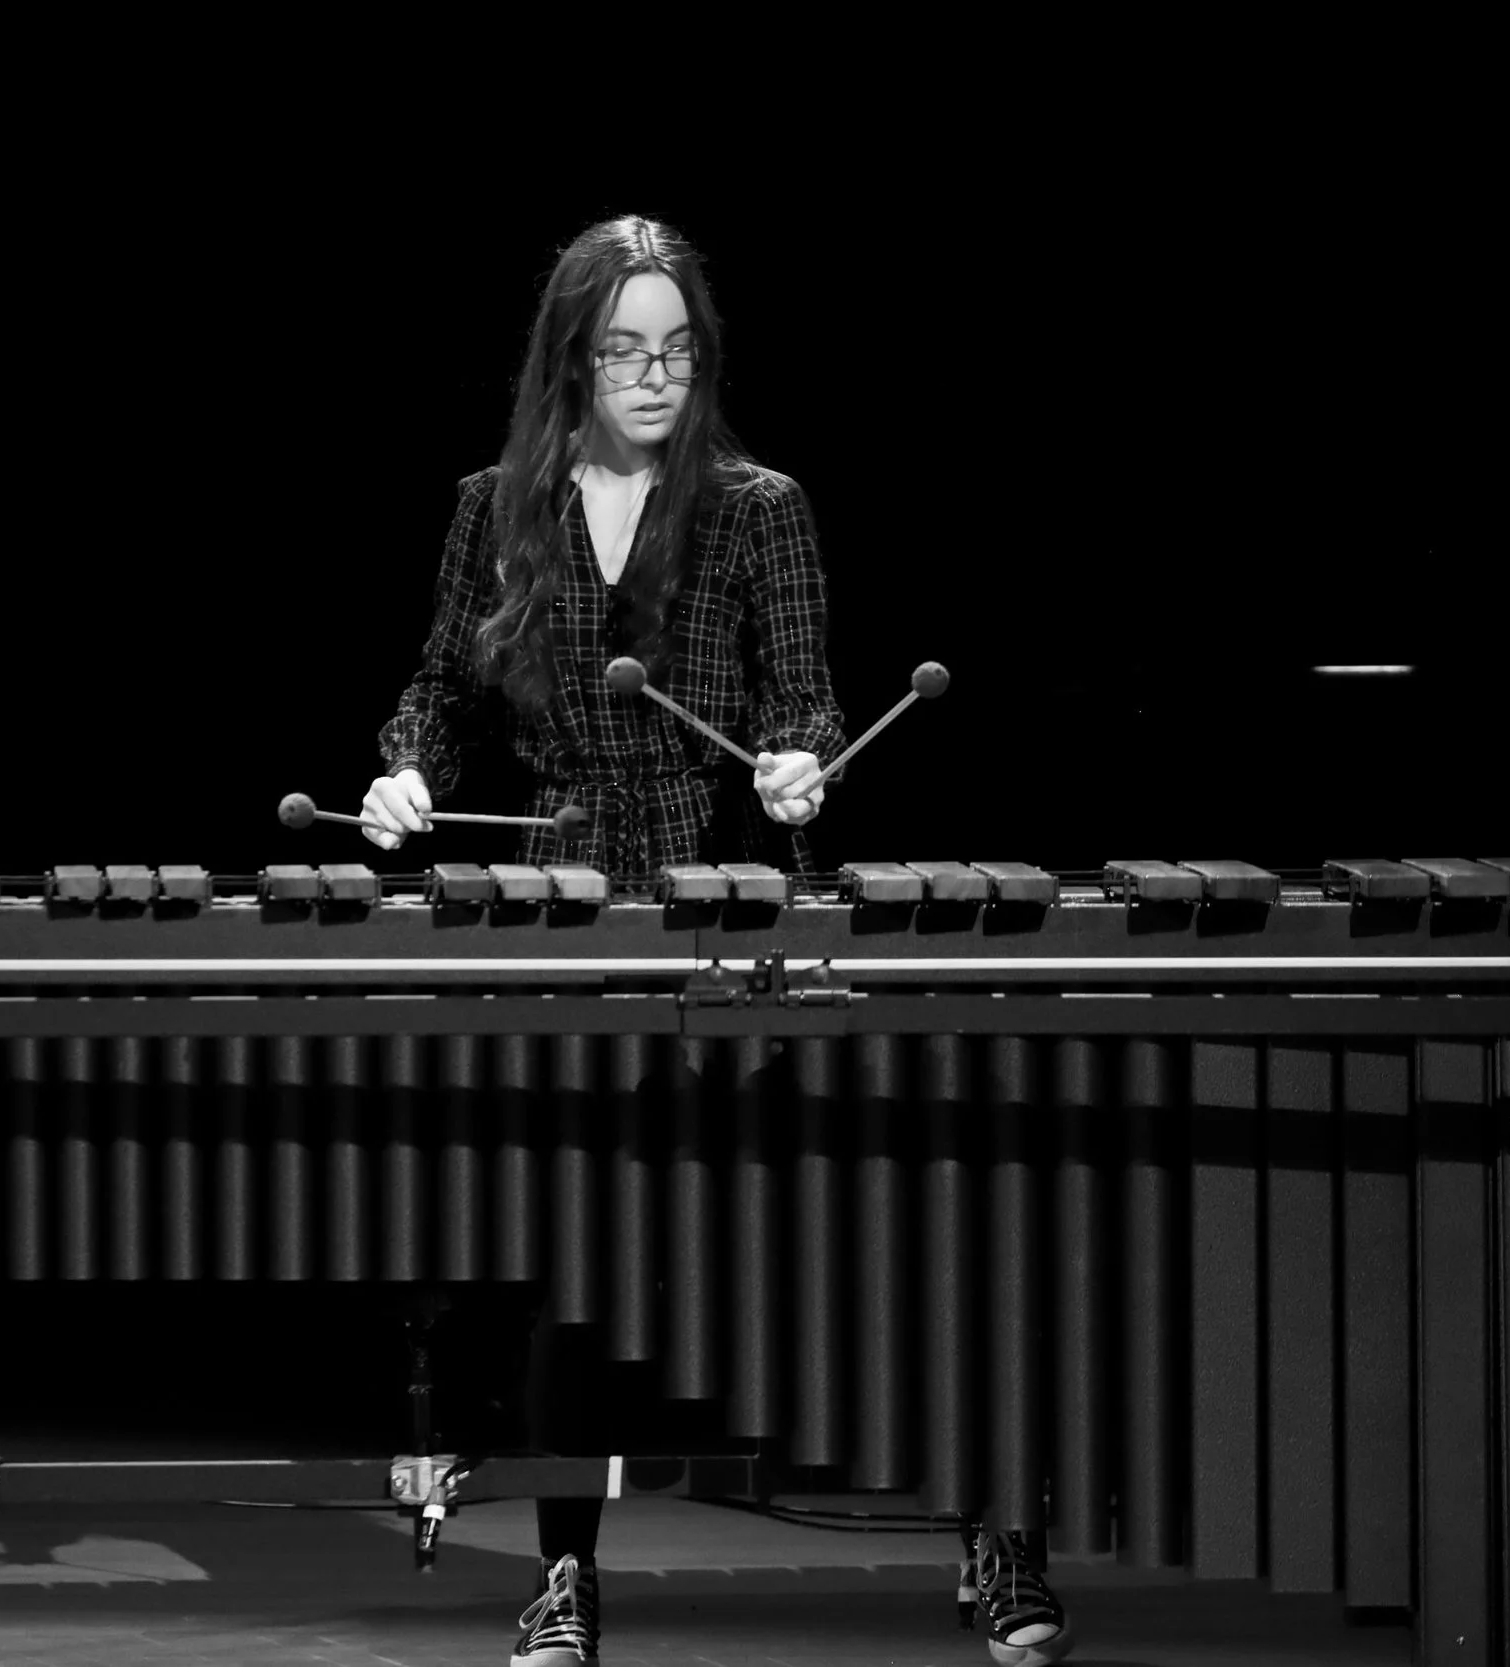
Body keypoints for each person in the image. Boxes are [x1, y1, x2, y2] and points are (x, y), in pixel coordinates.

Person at [361, 214, 1071, 1667]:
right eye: (623, 347)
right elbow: (441, 684)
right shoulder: (494, 506)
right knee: (577, 1261)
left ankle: (999, 1533)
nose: (654, 373)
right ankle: (564, 1575)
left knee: (875, 1235)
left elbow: (805, 696)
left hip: (735, 893)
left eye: (676, 348)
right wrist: (405, 773)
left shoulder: (761, 507)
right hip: (569, 906)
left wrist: (802, 759)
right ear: (571, 356)